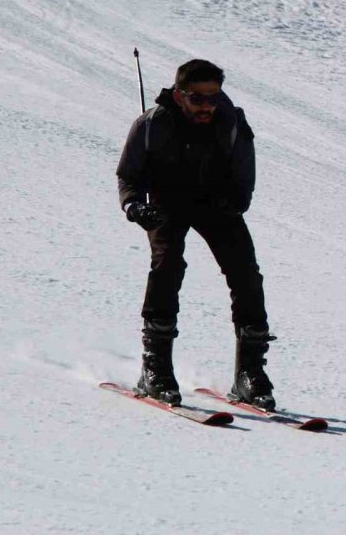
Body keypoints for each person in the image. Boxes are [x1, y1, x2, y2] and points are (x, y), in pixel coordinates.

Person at [116, 59, 276, 411]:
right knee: (168, 264)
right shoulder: (151, 124)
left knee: (245, 272)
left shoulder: (231, 121)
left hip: (215, 205)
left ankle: (249, 374)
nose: (207, 106)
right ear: (179, 95)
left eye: (213, 98)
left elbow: (244, 169)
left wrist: (237, 202)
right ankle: (155, 367)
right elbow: (129, 175)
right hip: (166, 205)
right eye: (197, 98)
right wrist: (134, 207)